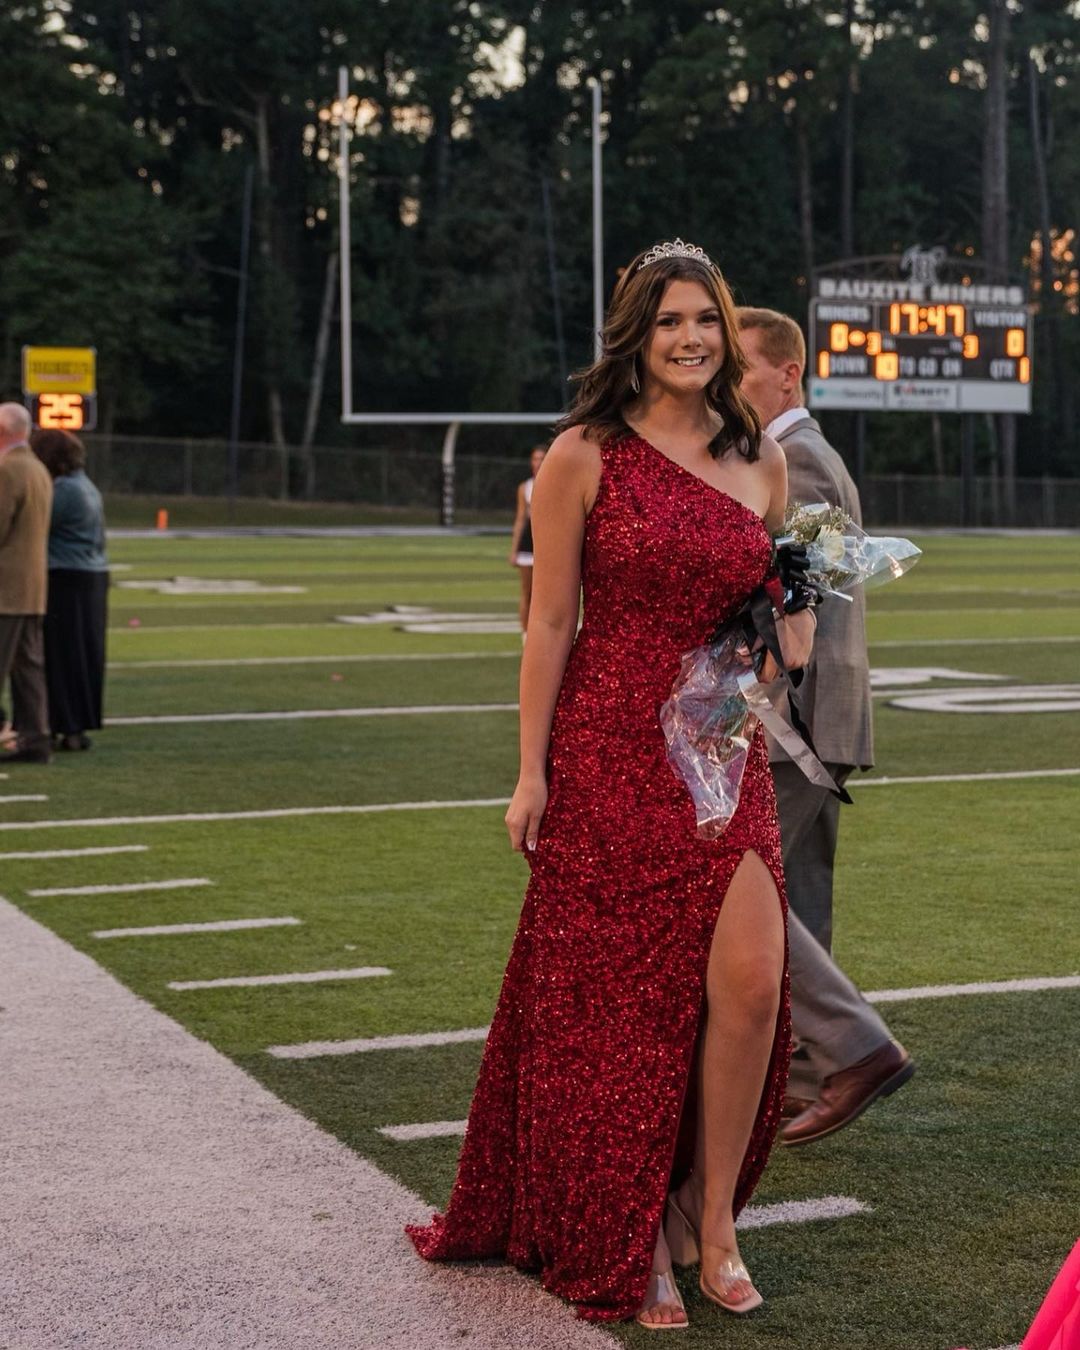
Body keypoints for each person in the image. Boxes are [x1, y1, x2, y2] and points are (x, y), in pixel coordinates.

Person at [408, 240, 816, 1328]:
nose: (690, 338)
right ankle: (621, 1236)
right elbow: (549, 624)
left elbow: (788, 625)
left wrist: (795, 607)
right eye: (669, 319)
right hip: (607, 747)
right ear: (633, 334)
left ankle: (712, 1221)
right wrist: (531, 770)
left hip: (724, 752)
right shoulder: (582, 454)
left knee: (751, 985)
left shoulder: (762, 462)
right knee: (619, 1007)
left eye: (706, 320)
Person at [736, 307, 914, 1146]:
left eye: (740, 369)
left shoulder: (798, 458)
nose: (725, 385)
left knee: (750, 895)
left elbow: (801, 602)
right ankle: (803, 1075)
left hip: (795, 719)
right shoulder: (805, 454)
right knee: (797, 892)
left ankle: (845, 1054)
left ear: (785, 374)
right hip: (817, 716)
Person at [30, 428, 109, 752]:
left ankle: (62, 723)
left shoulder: (63, 490)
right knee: (81, 655)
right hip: (89, 576)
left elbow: (31, 523)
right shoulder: (85, 486)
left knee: (60, 655)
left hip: (65, 577)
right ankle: (74, 725)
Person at [0, 402, 54, 765]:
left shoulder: (7, 470)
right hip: (31, 586)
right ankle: (36, 738)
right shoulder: (37, 468)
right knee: (28, 667)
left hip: (5, 588)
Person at [508, 444, 547, 635]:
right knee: (527, 591)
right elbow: (520, 518)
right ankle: (525, 634)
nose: (538, 463)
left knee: (547, 594)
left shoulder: (555, 483)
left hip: (548, 541)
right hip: (527, 542)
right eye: (535, 459)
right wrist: (513, 550)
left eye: (542, 458)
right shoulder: (524, 487)